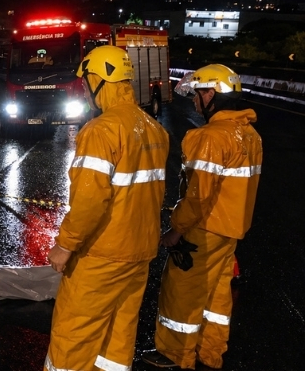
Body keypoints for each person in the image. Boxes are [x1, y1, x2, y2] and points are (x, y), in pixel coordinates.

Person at [44, 46, 169, 371]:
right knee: (117, 335)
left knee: (74, 335)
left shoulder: (101, 131)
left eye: (86, 84)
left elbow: (90, 200)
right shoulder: (154, 129)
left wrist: (65, 245)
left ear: (100, 80)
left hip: (102, 255)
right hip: (140, 253)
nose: (84, 92)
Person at [142, 64, 262, 370]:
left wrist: (176, 230)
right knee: (217, 295)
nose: (195, 101)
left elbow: (198, 196)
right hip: (231, 230)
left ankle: (174, 354)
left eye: (198, 94)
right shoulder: (250, 135)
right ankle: (210, 352)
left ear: (211, 94)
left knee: (182, 292)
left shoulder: (209, 138)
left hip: (203, 230)